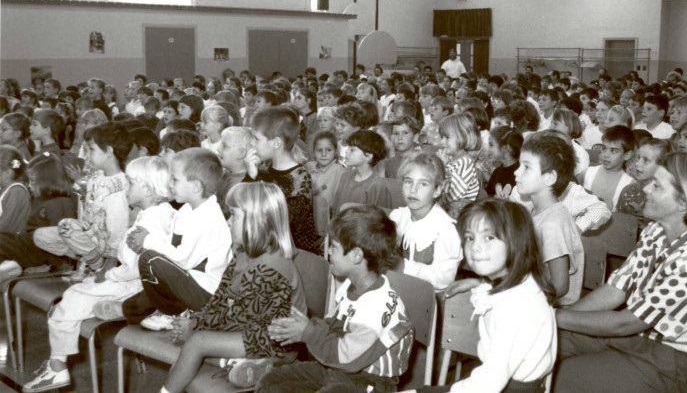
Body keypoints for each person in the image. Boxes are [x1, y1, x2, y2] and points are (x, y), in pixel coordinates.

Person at [22, 157, 176, 393]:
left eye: (132, 183)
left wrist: (111, 274)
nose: (127, 189)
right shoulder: (162, 212)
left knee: (71, 298)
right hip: (138, 283)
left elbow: (137, 267)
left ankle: (57, 366)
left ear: (146, 187)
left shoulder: (150, 222)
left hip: (132, 284)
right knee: (80, 291)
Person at [555, 152, 687, 392]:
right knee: (541, 344)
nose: (646, 189)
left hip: (670, 358)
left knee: (565, 378)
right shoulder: (656, 231)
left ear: (683, 203)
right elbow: (615, 290)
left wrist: (553, 316)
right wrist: (556, 321)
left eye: (657, 186)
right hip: (637, 336)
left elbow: (626, 323)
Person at [159, 182, 307, 393]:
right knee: (192, 342)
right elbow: (220, 299)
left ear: (259, 221)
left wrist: (195, 329)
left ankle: (268, 362)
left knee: (197, 342)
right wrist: (195, 321)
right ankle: (238, 364)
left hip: (278, 342)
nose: (228, 221)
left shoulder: (271, 266)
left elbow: (240, 319)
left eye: (234, 215)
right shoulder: (243, 253)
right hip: (251, 329)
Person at [260, 205, 414, 393]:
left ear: (356, 256)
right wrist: (302, 327)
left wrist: (307, 332)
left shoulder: (377, 307)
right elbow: (333, 327)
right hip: (340, 368)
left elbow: (348, 357)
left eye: (334, 247)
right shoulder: (349, 287)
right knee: (272, 383)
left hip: (372, 382)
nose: (328, 252)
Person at [419, 199, 557, 393]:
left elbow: (487, 384)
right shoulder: (523, 284)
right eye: (469, 237)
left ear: (516, 242)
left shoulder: (516, 306)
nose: (475, 247)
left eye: (489, 237)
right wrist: (480, 284)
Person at [121, 148, 232, 330]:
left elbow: (183, 260)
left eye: (175, 179)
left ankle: (175, 313)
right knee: (130, 308)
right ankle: (170, 312)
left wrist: (147, 241)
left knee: (149, 259)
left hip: (205, 292)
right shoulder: (187, 210)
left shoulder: (208, 218)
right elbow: (172, 248)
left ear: (196, 187)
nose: (170, 185)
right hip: (187, 282)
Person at [34, 122, 132, 281]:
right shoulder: (97, 175)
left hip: (106, 245)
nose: (87, 155)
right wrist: (83, 191)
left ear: (108, 152)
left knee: (66, 226)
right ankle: (89, 262)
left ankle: (99, 266)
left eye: (91, 150)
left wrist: (112, 259)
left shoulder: (119, 187)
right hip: (90, 236)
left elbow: (118, 228)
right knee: (40, 236)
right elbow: (90, 206)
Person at [514, 133, 584, 306]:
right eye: (519, 165)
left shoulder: (553, 223)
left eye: (526, 167)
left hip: (553, 309)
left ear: (549, 177)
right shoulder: (533, 210)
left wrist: (519, 299)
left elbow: (560, 286)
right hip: (532, 295)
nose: (516, 172)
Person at [244, 107, 319, 256]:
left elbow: (282, 226)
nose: (252, 143)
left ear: (276, 143)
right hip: (263, 244)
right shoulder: (263, 169)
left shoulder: (300, 178)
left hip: (291, 253)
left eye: (256, 139)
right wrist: (250, 176)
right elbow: (241, 206)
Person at [389, 153, 462, 292]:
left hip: (426, 301)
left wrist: (404, 266)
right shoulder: (397, 217)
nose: (413, 190)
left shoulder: (445, 230)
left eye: (423, 184)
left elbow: (443, 279)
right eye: (408, 181)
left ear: (437, 190)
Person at [0, 153, 76, 280]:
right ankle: (9, 266)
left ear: (48, 181)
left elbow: (60, 243)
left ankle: (11, 266)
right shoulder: (41, 199)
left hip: (35, 253)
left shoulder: (61, 204)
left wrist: (49, 266)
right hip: (25, 244)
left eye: (33, 181)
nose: (29, 185)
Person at [332, 130, 392, 214]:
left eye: (352, 150)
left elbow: (381, 220)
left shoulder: (378, 186)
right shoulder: (344, 177)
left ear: (368, 156)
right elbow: (336, 209)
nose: (346, 151)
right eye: (348, 148)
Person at [617, 138, 670, 230]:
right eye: (637, 157)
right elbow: (619, 225)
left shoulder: (668, 197)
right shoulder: (628, 191)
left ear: (662, 165)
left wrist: (646, 222)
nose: (637, 163)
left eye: (646, 160)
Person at [582, 126, 636, 211]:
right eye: (604, 149)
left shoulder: (629, 184)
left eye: (613, 151)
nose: (606, 155)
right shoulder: (588, 173)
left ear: (627, 155)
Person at [438, 113, 481, 219]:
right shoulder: (451, 160)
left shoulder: (465, 162)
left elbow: (453, 195)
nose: (442, 141)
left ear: (463, 137)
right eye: (441, 137)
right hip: (447, 210)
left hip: (459, 214)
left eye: (447, 137)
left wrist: (441, 168)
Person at [0, 145, 31, 233]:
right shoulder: (5, 189)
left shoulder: (16, 191)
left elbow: (5, 225)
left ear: (8, 173)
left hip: (12, 241)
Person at [485, 125, 523, 197]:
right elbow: (488, 195)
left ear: (506, 148)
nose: (488, 149)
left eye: (491, 145)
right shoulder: (497, 171)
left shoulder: (519, 175)